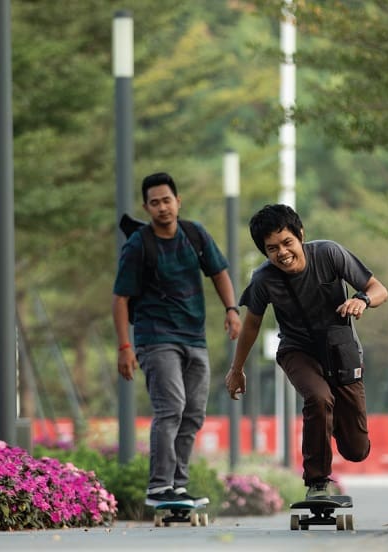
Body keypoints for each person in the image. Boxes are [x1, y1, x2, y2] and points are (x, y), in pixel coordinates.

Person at [225, 204, 388, 499]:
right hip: (296, 350)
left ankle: (327, 418)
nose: (282, 252)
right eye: (272, 248)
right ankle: (317, 482)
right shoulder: (263, 279)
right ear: (265, 252)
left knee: (357, 450)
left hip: (341, 349)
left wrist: (362, 300)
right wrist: (237, 369)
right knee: (318, 397)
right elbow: (251, 325)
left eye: (287, 242)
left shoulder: (329, 254)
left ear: (300, 234)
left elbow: (379, 289)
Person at [113, 172, 242, 507]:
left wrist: (231, 309)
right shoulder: (138, 244)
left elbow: (219, 273)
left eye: (167, 200)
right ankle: (159, 486)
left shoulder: (194, 234)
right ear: (146, 207)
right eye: (154, 203)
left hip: (194, 337)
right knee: (170, 408)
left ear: (178, 201)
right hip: (155, 338)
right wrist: (125, 347)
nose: (162, 207)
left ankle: (178, 486)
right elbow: (121, 298)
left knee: (193, 413)